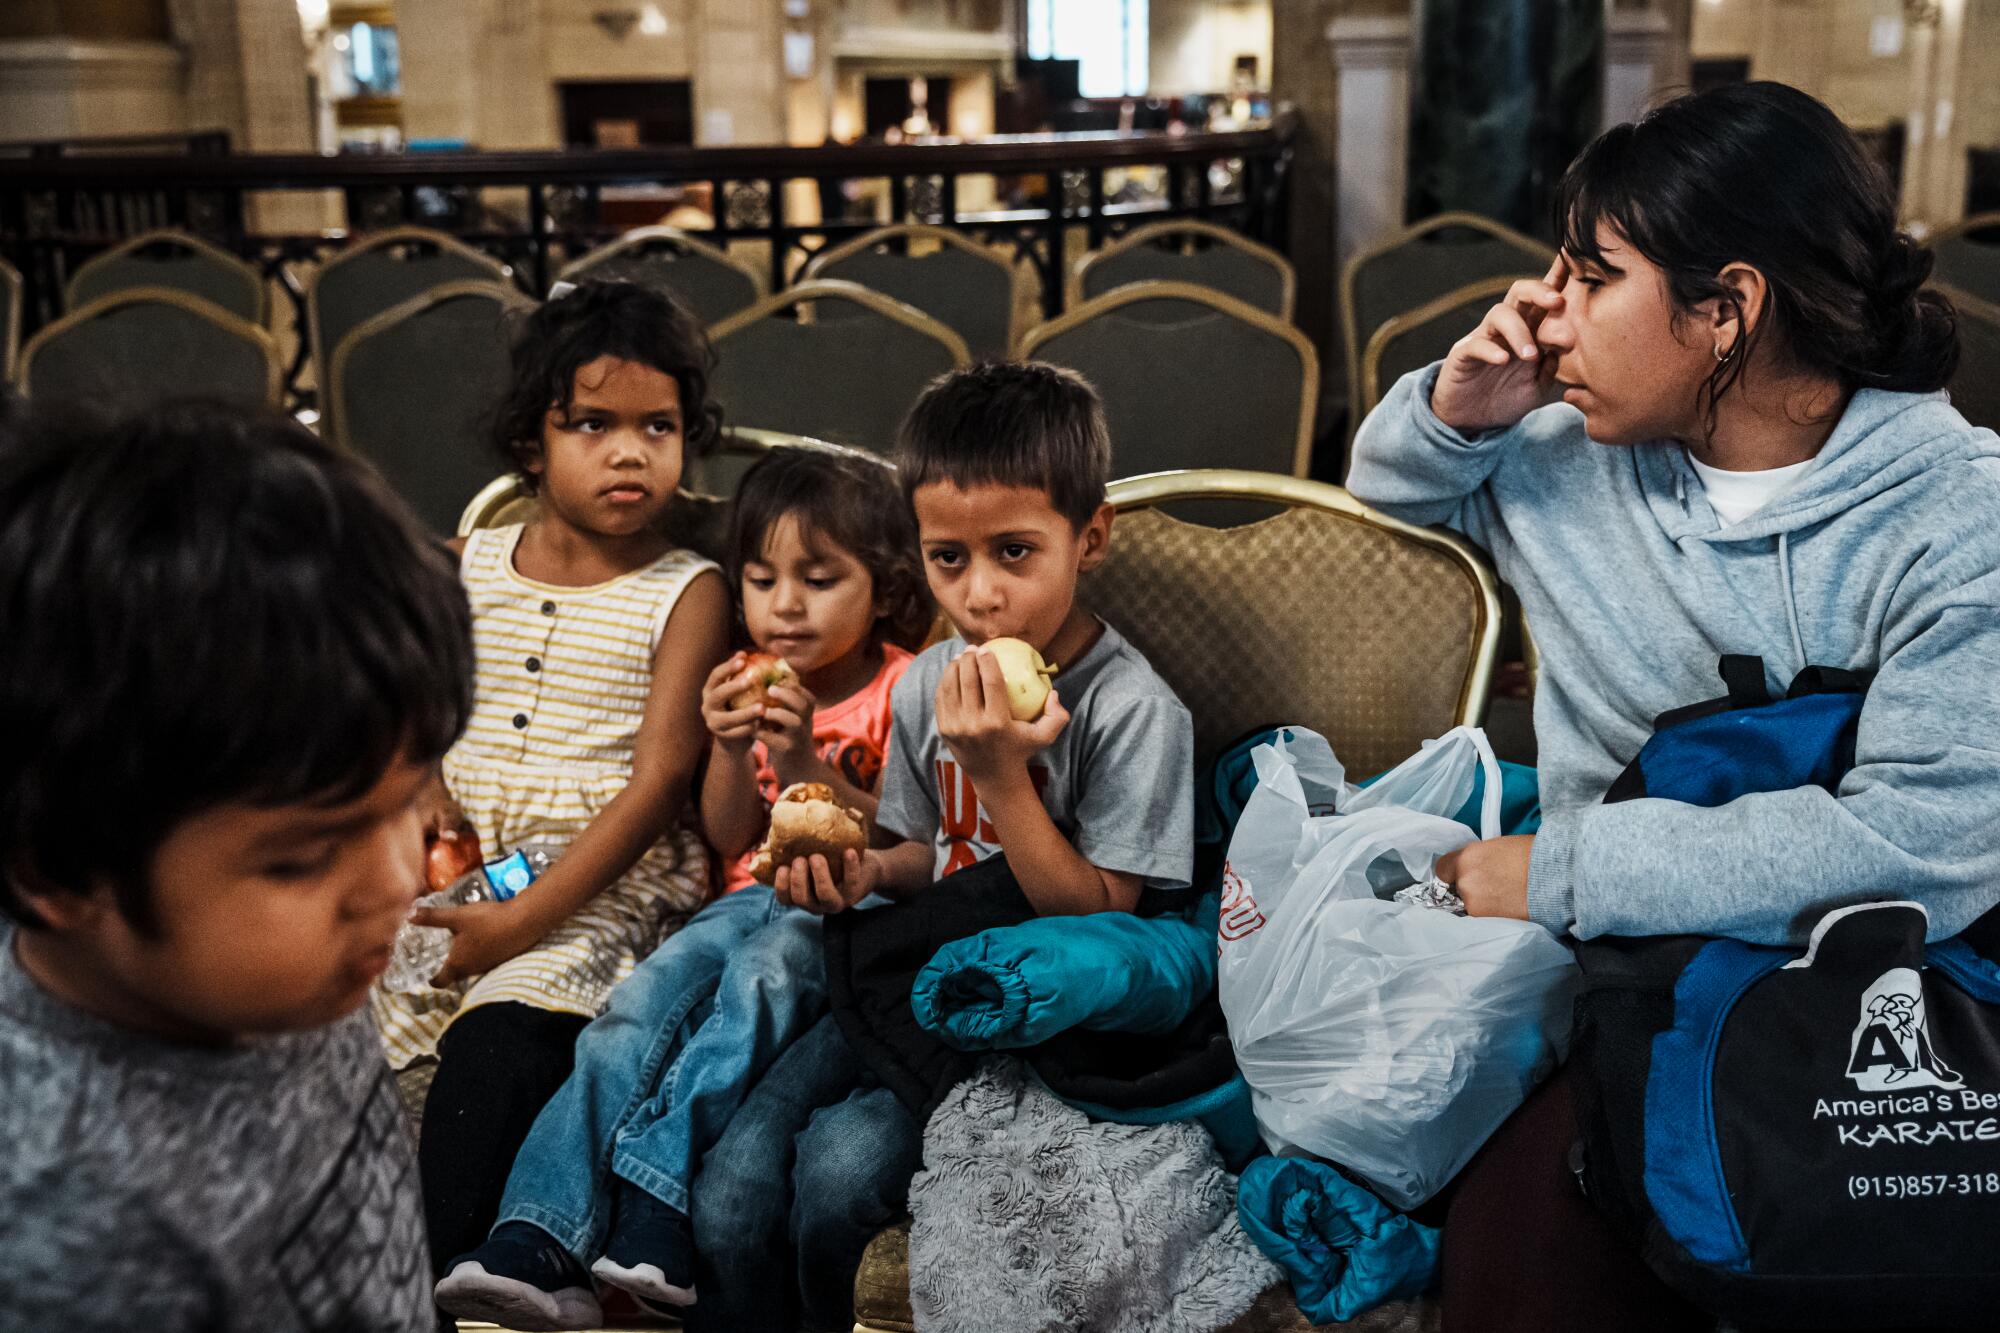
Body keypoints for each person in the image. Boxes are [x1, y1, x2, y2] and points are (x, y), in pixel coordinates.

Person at [1347, 81, 2000, 1332]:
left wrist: (1562, 866)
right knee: (1515, 1272)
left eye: (1591, 279)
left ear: (1724, 309)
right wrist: (1454, 413)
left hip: (1881, 993)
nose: (1546, 315)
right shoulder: (1562, 460)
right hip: (1626, 983)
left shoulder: (1953, 518)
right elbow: (1377, 515)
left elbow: (1922, 846)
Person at [686, 361, 1199, 1333]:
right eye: (946, 559)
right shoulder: (929, 680)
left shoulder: (1132, 712)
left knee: (837, 1175)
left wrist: (1004, 778)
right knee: (731, 1185)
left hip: (1030, 1008)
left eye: (1014, 553)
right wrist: (866, 869)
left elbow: (1100, 922)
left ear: (1087, 538)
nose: (979, 596)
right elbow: (924, 852)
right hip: (911, 965)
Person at [0, 400, 474, 1330]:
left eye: (407, 801)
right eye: (303, 858)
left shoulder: (278, 975)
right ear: (59, 870)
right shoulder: (70, 1237)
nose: (395, 881)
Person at [436, 444, 932, 1328]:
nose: (784, 605)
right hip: (743, 894)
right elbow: (730, 834)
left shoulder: (905, 682)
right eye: (761, 577)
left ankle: (656, 1200)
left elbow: (910, 841)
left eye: (818, 579)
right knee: (639, 1002)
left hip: (851, 906)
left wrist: (806, 758)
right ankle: (537, 1231)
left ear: (883, 586)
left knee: (759, 981)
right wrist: (737, 749)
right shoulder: (738, 677)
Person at [372, 279, 730, 1271]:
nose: (629, 451)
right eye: (592, 424)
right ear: (532, 442)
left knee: (498, 1041)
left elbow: (659, 784)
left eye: (658, 426)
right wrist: (421, 782)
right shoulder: (470, 561)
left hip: (600, 891)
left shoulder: (686, 590)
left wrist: (521, 925)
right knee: (343, 1011)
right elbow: (406, 698)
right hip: (466, 869)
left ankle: (443, 1278)